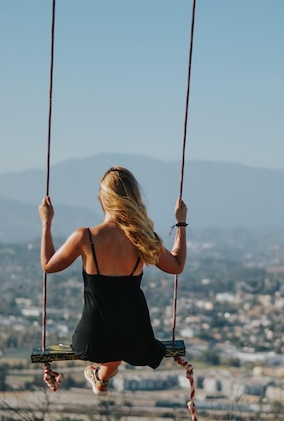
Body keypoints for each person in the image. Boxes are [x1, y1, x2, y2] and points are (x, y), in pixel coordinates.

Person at [38, 166, 188, 396]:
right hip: (136, 338)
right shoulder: (144, 239)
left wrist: (46, 223)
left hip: (92, 337)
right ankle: (100, 378)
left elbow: (48, 265)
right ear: (134, 198)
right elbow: (176, 265)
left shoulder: (84, 237)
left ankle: (100, 378)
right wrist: (180, 224)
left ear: (102, 198)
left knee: (110, 346)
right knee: (118, 345)